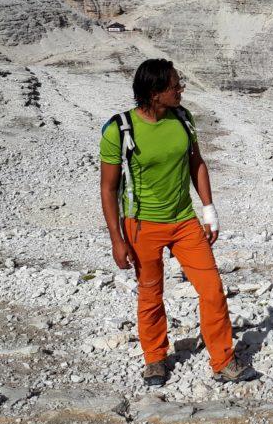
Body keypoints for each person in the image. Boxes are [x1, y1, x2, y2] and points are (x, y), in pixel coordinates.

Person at [99, 58, 253, 386]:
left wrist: (209, 211)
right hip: (141, 225)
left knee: (212, 289)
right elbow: (108, 187)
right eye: (174, 86)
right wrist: (116, 239)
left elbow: (197, 162)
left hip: (185, 221)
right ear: (154, 93)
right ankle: (155, 358)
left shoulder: (183, 118)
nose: (181, 89)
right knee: (151, 293)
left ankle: (224, 360)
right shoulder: (119, 129)